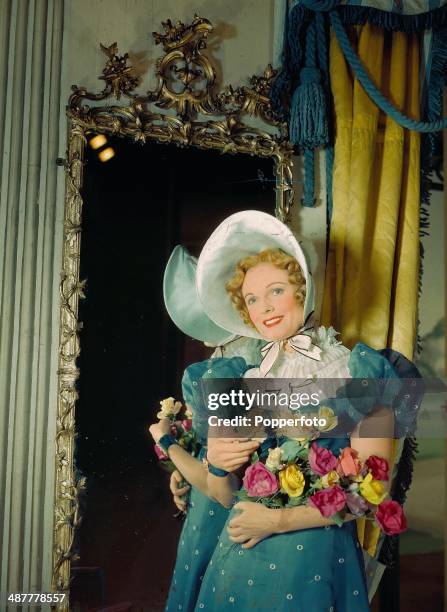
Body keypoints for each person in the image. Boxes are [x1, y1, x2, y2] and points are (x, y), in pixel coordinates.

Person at [189, 210, 407, 611]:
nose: (265, 307)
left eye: (276, 291)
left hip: (314, 560)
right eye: (252, 299)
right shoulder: (243, 380)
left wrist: (277, 521)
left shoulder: (358, 372)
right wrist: (217, 466)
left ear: (303, 290)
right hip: (237, 559)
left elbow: (372, 494)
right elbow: (222, 497)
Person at [148, 245, 263, 612]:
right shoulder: (227, 355)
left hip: (221, 504)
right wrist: (181, 467)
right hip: (209, 494)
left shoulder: (233, 366)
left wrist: (167, 442)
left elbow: (222, 485)